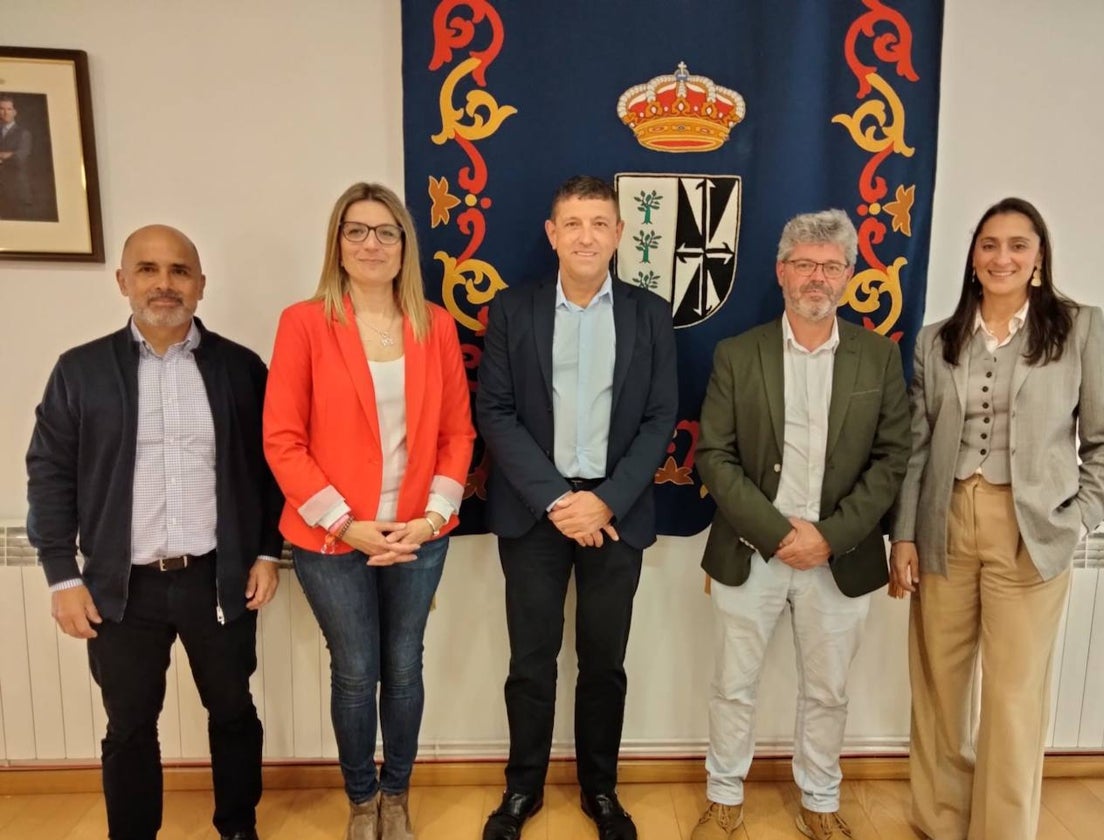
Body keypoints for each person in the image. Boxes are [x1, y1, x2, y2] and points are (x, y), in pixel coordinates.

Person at [25, 225, 283, 840]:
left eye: (178, 271)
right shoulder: (80, 370)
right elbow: (50, 473)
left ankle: (238, 826)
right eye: (147, 270)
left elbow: (275, 466)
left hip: (217, 578)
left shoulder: (241, 370)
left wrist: (269, 552)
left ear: (200, 284)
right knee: (130, 724)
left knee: (233, 712)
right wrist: (63, 575)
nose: (163, 284)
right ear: (122, 282)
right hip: (121, 589)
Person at [888, 197, 1104, 840]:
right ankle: (941, 821)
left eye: (1018, 245)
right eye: (989, 244)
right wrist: (905, 534)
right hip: (944, 523)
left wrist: (1078, 518)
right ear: (973, 256)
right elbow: (916, 445)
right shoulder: (937, 339)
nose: (1002, 257)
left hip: (1030, 530)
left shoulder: (1079, 328)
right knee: (940, 687)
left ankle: (1001, 831)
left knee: (1014, 697)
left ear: (1039, 256)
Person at [689, 210, 910, 840]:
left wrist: (830, 536)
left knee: (829, 692)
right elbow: (715, 455)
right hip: (751, 549)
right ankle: (724, 796)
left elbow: (893, 458)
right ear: (782, 272)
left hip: (840, 556)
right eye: (805, 265)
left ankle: (820, 800)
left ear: (849, 274)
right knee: (733, 685)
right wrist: (779, 534)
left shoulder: (879, 358)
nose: (817, 278)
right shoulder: (738, 354)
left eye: (831, 266)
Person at [263, 182, 474, 840]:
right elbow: (282, 438)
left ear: (405, 244)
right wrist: (345, 524)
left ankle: (397, 792)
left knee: (404, 664)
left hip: (417, 533)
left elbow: (457, 436)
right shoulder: (304, 323)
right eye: (356, 231)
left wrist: (431, 518)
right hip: (333, 538)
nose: (371, 243)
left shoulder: (434, 324)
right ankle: (361, 799)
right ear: (338, 244)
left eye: (385, 231)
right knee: (355, 671)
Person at [475, 175, 677, 840]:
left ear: (620, 234)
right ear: (552, 234)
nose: (586, 235)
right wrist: (561, 500)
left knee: (603, 663)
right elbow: (496, 413)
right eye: (573, 222)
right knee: (530, 663)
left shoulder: (650, 313)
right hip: (536, 513)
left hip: (616, 515)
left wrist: (604, 501)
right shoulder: (513, 310)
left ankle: (601, 790)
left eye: (599, 222)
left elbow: (659, 416)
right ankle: (521, 790)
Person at [0, 94, 35, 219]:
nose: (5, 113)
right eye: (1, 109)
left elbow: (19, 158)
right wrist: (7, 154)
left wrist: (10, 155)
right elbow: (12, 155)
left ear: (15, 112)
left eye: (9, 109)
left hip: (15, 190)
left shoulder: (23, 134)